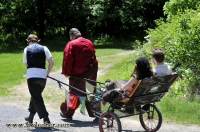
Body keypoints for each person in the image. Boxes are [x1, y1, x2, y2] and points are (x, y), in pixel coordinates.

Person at [60, 28, 99, 122]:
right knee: (90, 91)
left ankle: (67, 113)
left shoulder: (72, 44)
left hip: (79, 72)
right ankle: (97, 113)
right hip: (92, 69)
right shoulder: (89, 42)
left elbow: (67, 60)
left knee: (74, 92)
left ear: (72, 36)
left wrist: (66, 72)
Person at [23, 34, 54, 124]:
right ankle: (30, 117)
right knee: (36, 96)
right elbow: (51, 62)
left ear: (28, 41)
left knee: (36, 97)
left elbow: (26, 64)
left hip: (32, 76)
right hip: (42, 77)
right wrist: (47, 72)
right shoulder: (45, 48)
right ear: (37, 41)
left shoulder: (26, 49)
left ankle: (46, 120)